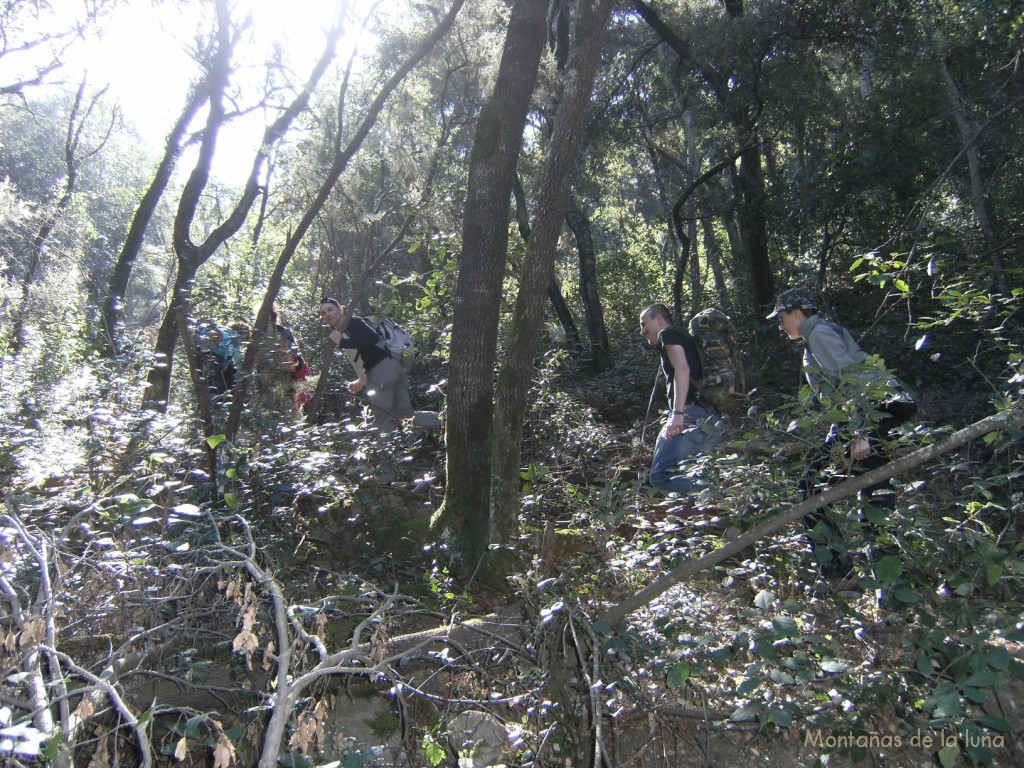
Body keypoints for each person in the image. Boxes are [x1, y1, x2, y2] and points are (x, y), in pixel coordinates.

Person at [768, 286, 917, 580]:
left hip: (870, 415)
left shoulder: (818, 333)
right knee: (875, 496)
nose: (780, 325)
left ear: (798, 313)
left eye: (782, 317)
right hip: (875, 413)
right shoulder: (821, 332)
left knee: (811, 489)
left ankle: (839, 575)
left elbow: (851, 376)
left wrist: (861, 430)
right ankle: (887, 591)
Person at [320, 297, 440, 433]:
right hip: (393, 368)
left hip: (382, 372)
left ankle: (385, 453)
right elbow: (369, 354)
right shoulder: (346, 330)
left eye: (330, 309)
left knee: (382, 420)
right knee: (406, 415)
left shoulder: (352, 323)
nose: (327, 314)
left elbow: (371, 338)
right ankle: (448, 422)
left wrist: (342, 343)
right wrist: (362, 381)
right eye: (323, 313)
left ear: (341, 309)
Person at [640, 303, 723, 497]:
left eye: (644, 324)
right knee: (699, 474)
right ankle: (714, 510)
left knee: (660, 476)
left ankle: (717, 496)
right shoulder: (684, 337)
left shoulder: (667, 334)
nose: (642, 331)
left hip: (691, 413)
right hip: (710, 414)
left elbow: (682, 369)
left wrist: (678, 414)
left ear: (659, 319)